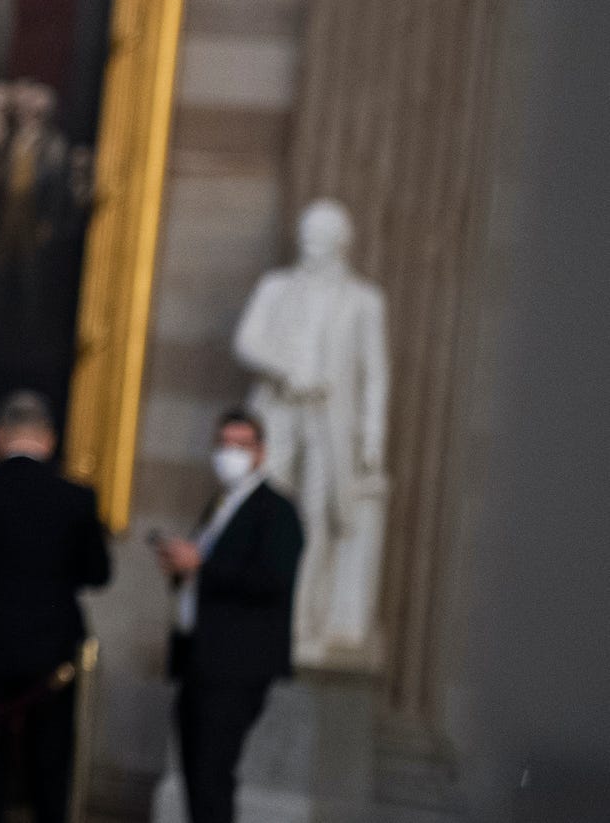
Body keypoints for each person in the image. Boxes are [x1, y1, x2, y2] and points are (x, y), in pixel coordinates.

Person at [0, 391, 112, 823]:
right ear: (48, 440)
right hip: (51, 653)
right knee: (49, 769)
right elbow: (98, 573)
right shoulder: (76, 497)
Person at [233, 198, 388, 666]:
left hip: (329, 422)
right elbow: (247, 341)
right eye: (306, 240)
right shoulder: (276, 287)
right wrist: (286, 368)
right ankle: (255, 618)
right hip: (278, 413)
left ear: (340, 245)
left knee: (316, 520)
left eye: (319, 241)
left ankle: (301, 622)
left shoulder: (364, 301)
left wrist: (371, 438)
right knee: (259, 510)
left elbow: (374, 374)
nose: (310, 249)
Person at [154, 410, 305, 823]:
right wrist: (183, 568)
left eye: (241, 446)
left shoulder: (276, 510)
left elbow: (272, 580)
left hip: (235, 665)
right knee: (196, 774)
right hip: (199, 660)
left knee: (212, 775)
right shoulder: (219, 504)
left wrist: (200, 564)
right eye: (224, 444)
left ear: (261, 452)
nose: (229, 454)